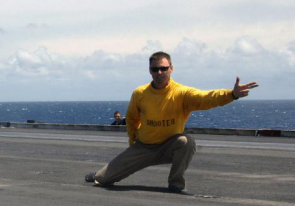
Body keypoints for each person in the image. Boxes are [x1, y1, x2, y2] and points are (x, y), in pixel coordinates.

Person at [85, 52, 258, 194]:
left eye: (163, 68)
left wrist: (231, 94)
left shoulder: (182, 93)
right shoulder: (140, 93)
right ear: (150, 71)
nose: (160, 72)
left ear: (171, 69)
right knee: (103, 181)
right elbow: (131, 118)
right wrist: (133, 141)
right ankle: (98, 174)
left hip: (168, 147)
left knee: (186, 142)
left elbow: (206, 98)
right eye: (156, 69)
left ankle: (175, 184)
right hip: (143, 147)